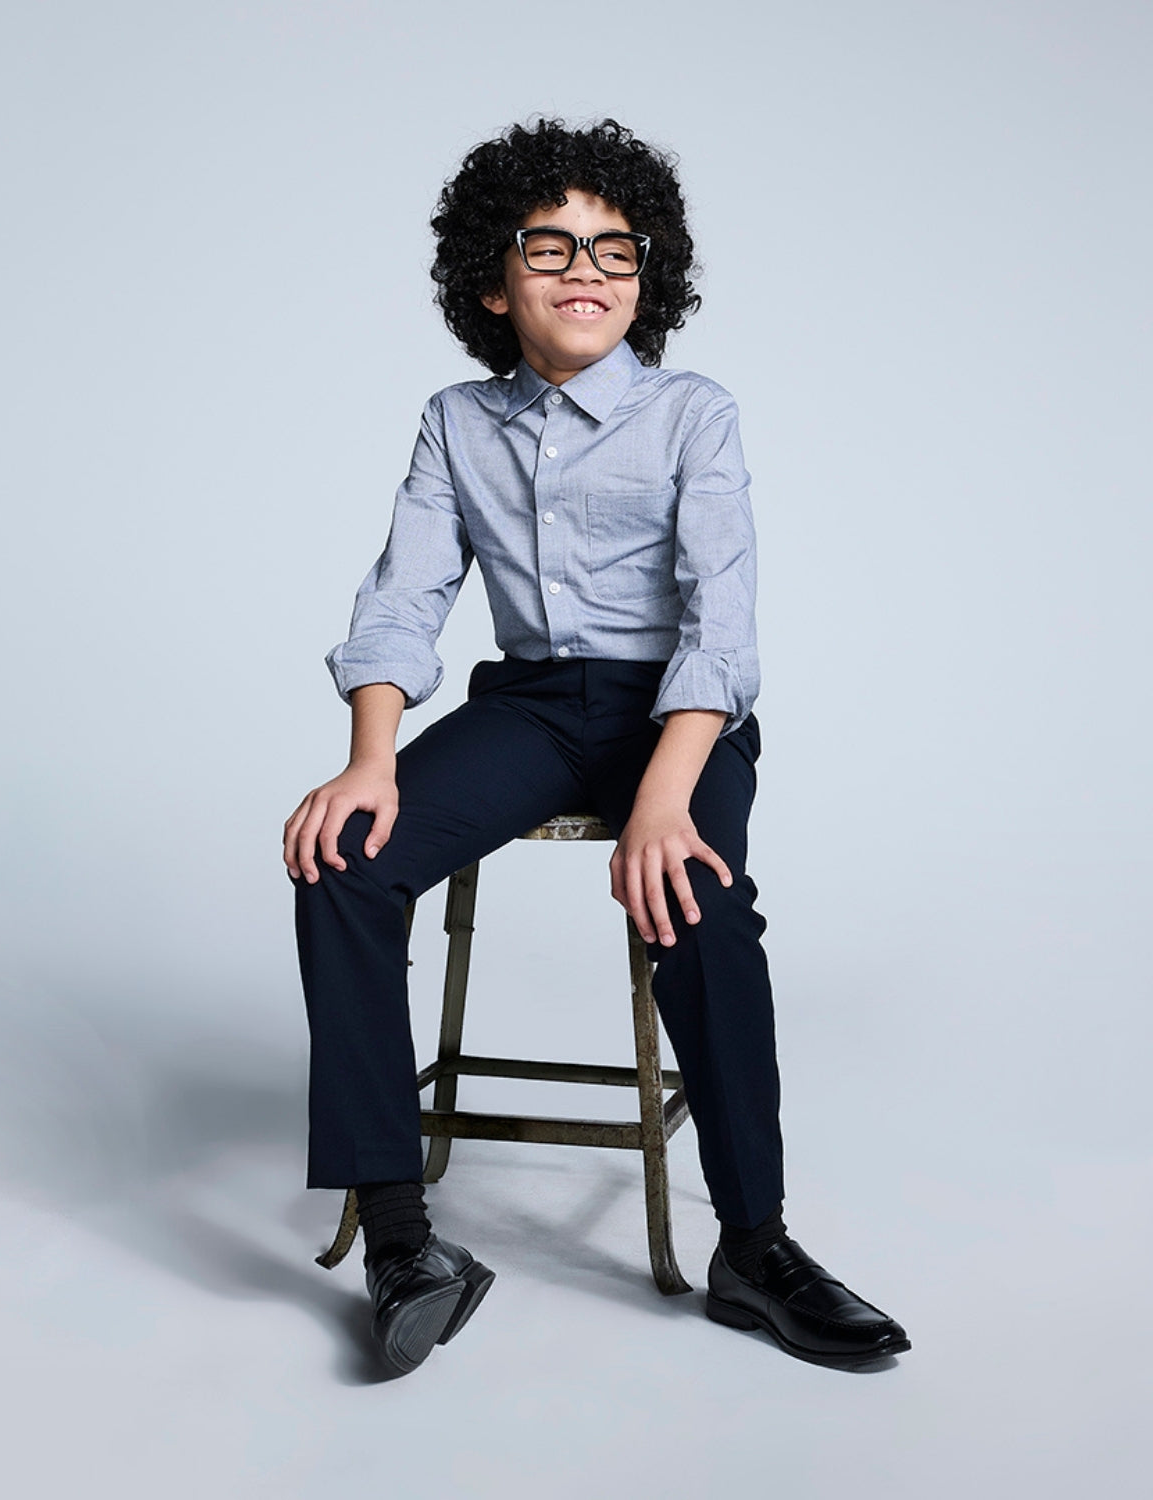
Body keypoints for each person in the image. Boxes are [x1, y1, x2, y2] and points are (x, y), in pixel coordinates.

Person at [283, 117, 910, 1375]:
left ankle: (756, 1246)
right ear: (493, 281)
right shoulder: (457, 421)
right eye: (552, 246)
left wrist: (665, 800)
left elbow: (721, 625)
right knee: (344, 860)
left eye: (616, 249)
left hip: (674, 715)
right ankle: (405, 1242)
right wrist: (370, 758)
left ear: (646, 276)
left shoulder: (692, 414)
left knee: (701, 901)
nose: (587, 270)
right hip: (527, 708)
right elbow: (403, 598)